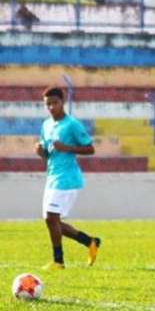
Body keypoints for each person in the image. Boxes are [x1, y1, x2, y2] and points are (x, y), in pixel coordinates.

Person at [35, 87, 102, 269]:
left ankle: (58, 261)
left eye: (54, 103)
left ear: (62, 102)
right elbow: (48, 152)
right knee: (52, 221)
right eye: (47, 104)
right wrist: (41, 152)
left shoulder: (72, 124)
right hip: (52, 177)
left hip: (67, 179)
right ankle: (90, 242)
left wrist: (67, 147)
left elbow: (90, 149)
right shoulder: (46, 125)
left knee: (51, 218)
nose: (51, 107)